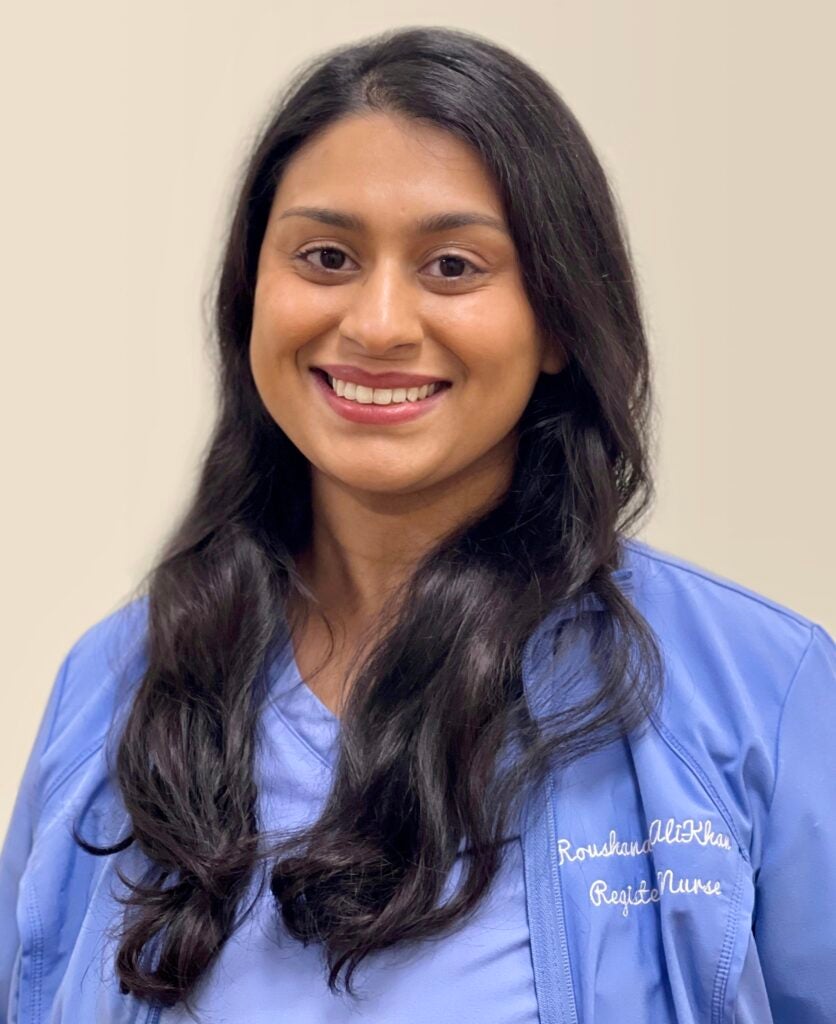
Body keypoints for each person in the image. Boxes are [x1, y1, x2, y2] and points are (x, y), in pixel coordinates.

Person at [1, 24, 834, 1024]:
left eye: (450, 265)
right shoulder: (111, 690)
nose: (379, 323)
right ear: (249, 298)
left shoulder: (755, 694)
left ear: (558, 321)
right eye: (325, 256)